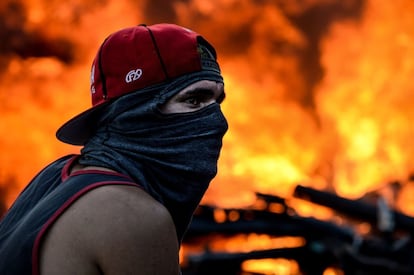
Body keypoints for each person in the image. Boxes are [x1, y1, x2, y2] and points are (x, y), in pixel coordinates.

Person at [0, 23, 228, 275]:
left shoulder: (54, 177)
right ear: (134, 113)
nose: (218, 122)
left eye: (217, 101)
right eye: (193, 100)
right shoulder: (136, 217)